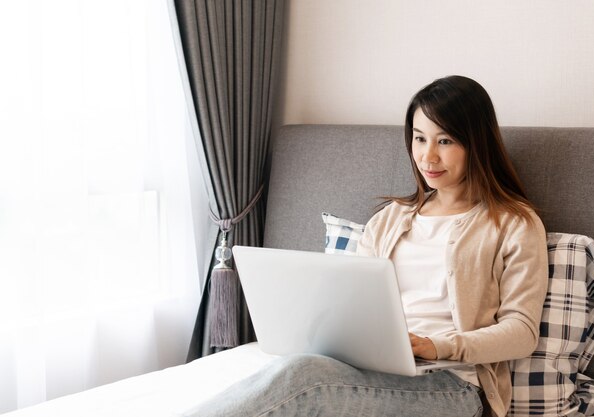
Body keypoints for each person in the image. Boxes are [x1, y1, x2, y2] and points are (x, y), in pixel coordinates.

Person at [203, 75, 549, 417]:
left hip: (453, 385)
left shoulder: (514, 223)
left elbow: (521, 331)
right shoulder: (388, 220)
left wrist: (436, 345)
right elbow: (352, 305)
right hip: (371, 371)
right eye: (419, 139)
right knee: (297, 371)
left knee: (304, 378)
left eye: (444, 141)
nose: (428, 157)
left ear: (477, 143)